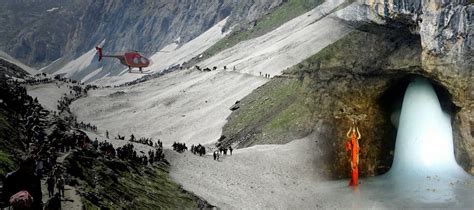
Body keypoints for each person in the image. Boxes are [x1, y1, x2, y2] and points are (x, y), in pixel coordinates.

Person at [345, 121, 361, 187]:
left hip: (355, 152)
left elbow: (359, 136)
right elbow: (347, 135)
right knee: (353, 166)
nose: (354, 132)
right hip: (353, 152)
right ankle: (354, 180)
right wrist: (350, 129)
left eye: (354, 131)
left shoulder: (356, 137)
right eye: (353, 131)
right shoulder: (351, 136)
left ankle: (355, 181)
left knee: (356, 166)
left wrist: (357, 130)